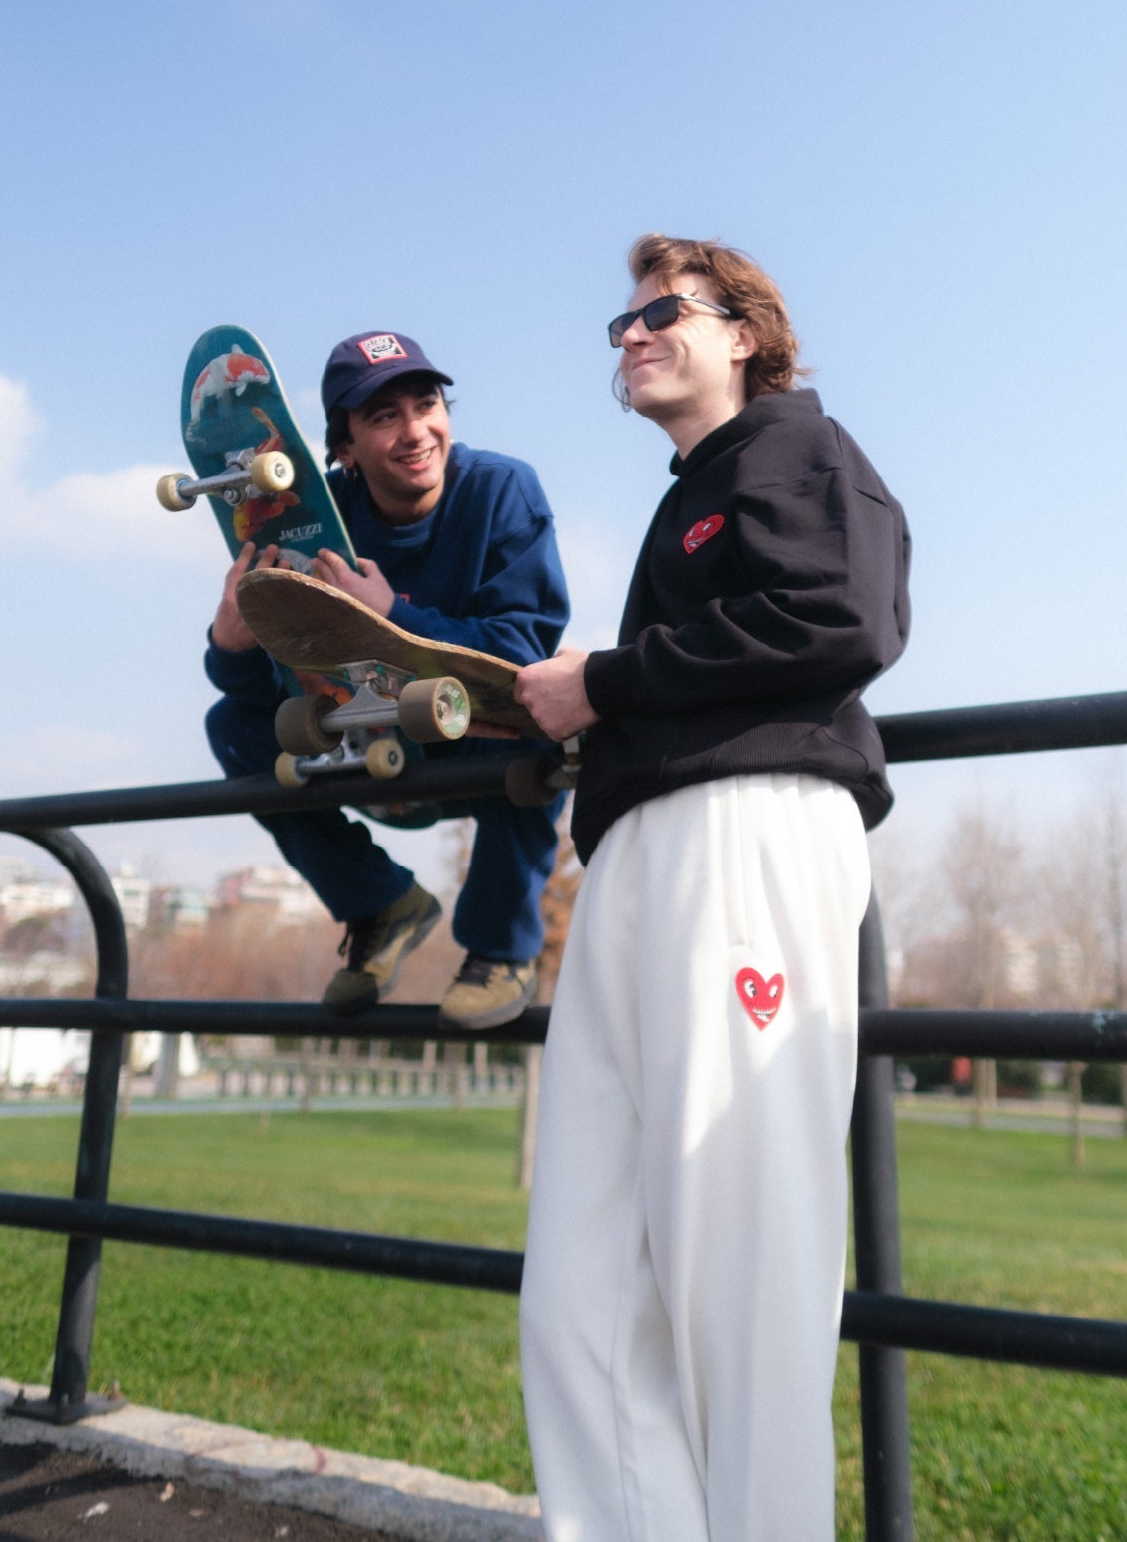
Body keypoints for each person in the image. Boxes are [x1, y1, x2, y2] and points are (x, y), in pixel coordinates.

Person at [514, 235, 910, 1540]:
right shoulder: (693, 488)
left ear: (744, 331)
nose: (628, 335)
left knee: (743, 1262)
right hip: (636, 852)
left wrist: (613, 680)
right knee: (580, 1282)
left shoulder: (799, 447)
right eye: (617, 323)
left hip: (749, 831)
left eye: (659, 312)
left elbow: (846, 618)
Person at [205, 329, 569, 1030]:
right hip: (358, 726)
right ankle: (379, 904)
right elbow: (257, 688)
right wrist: (232, 645)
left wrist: (394, 615)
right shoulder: (315, 518)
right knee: (232, 728)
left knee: (547, 709)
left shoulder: (502, 490)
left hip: (473, 731)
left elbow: (521, 651)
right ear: (342, 449)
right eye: (382, 417)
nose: (414, 431)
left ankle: (500, 948)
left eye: (426, 404)